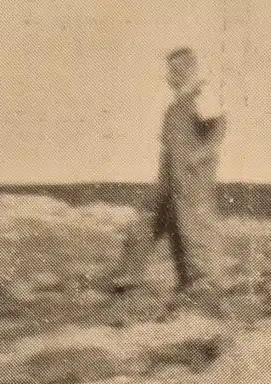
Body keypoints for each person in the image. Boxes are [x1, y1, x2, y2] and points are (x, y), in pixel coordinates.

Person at [107, 46, 227, 319]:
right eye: (169, 70)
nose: (168, 76)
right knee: (147, 224)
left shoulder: (202, 94)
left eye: (172, 70)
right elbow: (169, 147)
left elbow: (220, 127)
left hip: (192, 182)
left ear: (184, 69)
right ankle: (129, 283)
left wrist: (200, 156)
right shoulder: (176, 105)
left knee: (194, 232)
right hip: (168, 179)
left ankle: (203, 290)